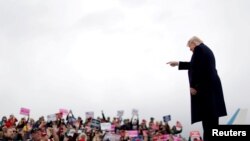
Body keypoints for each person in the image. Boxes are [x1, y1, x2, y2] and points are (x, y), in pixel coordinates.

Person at [166, 36, 227, 141]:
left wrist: (193, 86)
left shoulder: (199, 49)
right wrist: (178, 63)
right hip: (213, 93)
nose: (190, 50)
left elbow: (196, 69)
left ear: (194, 42)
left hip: (206, 93)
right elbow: (195, 65)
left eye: (190, 47)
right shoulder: (207, 50)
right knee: (212, 124)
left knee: (208, 126)